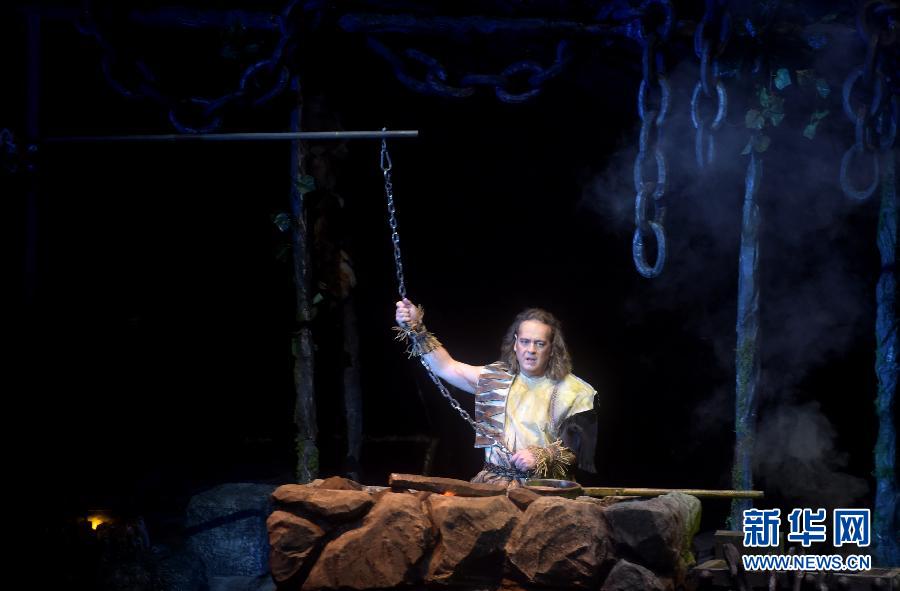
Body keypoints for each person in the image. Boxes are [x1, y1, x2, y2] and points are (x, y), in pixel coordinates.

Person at [395, 298, 598, 486]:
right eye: (525, 341)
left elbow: (577, 453)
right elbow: (447, 367)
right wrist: (417, 329)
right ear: (516, 344)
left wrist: (541, 456)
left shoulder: (576, 392)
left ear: (552, 348)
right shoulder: (495, 378)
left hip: (546, 489)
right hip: (494, 485)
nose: (531, 350)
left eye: (540, 343)